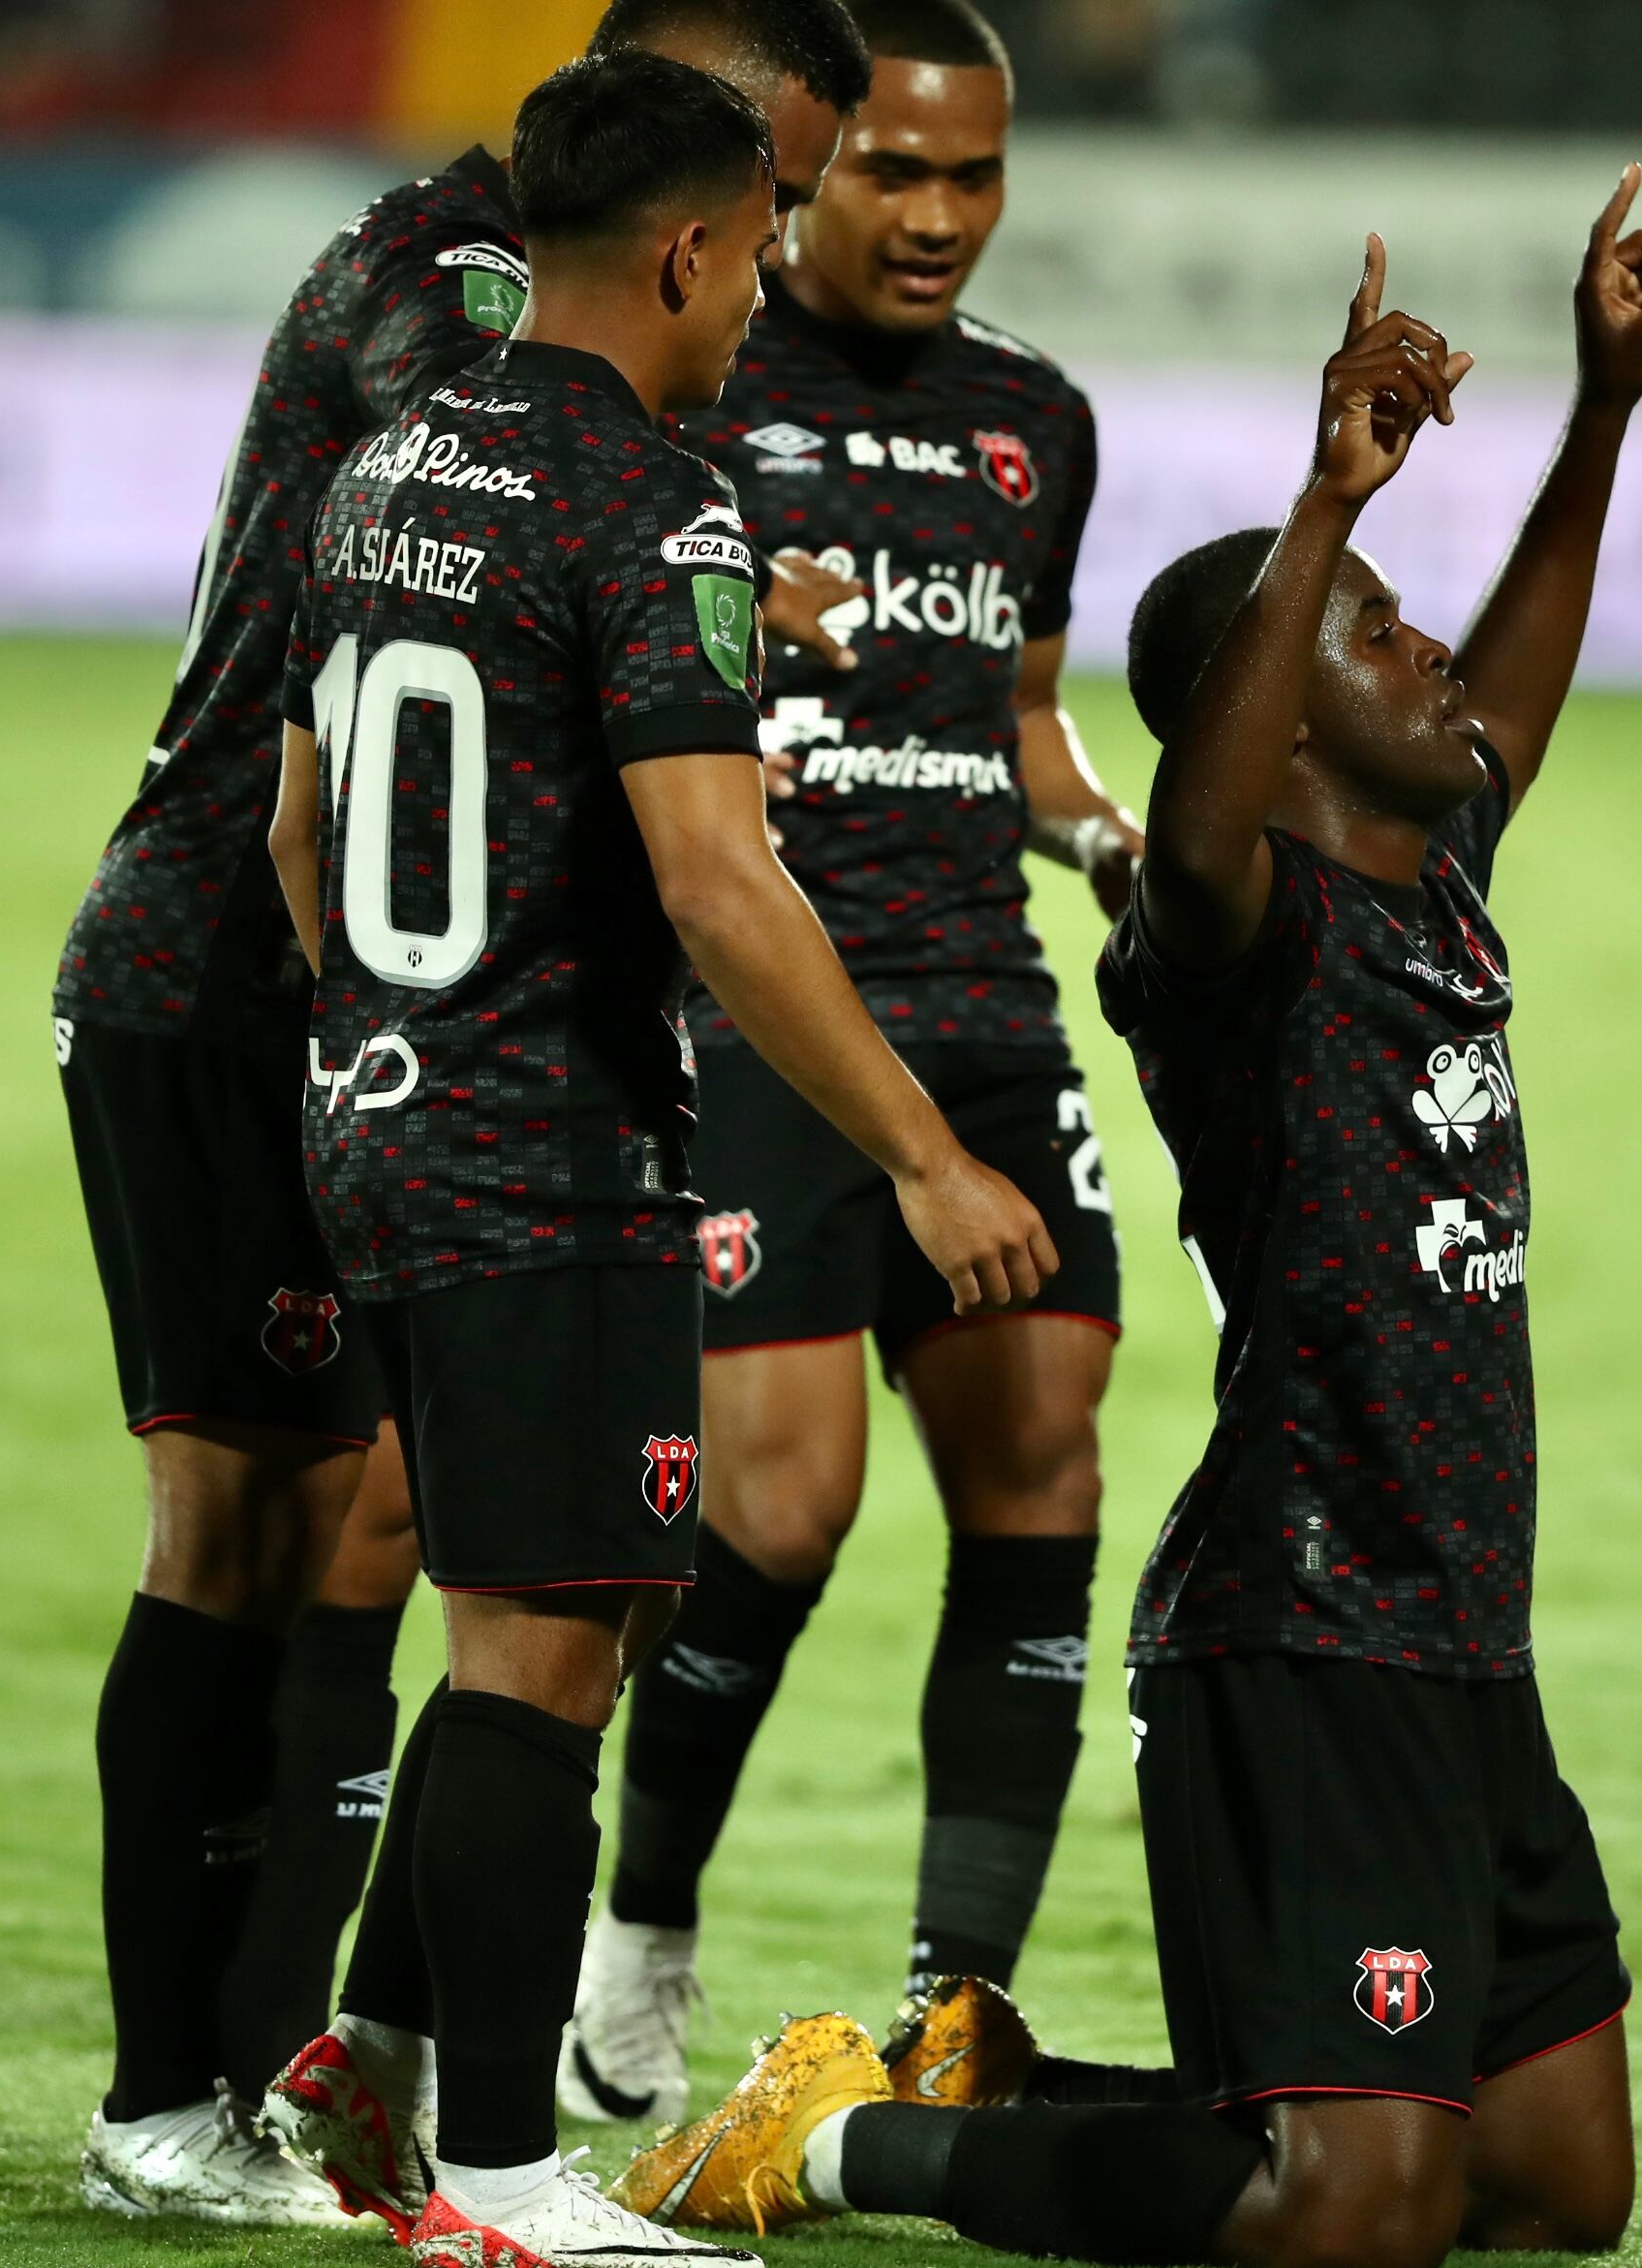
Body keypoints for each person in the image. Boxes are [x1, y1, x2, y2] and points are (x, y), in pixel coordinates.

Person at [616, 171, 1642, 2268]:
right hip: (1302, 1629)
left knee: (1560, 2188)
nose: (1436, 661)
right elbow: (1198, 817)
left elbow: (1518, 690)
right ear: (1279, 718)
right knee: (1356, 2214)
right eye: (1381, 637)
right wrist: (1321, 511)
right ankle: (841, 2141)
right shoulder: (1228, 939)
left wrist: (1606, 404)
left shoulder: (1427, 874)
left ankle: (1003, 2089)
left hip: (1460, 1627)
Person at [49, 0, 869, 2224]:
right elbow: (487, 577)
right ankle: (183, 2100)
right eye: (769, 178)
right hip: (243, 978)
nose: (776, 244)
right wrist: (682, 637)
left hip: (361, 991)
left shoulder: (450, 287)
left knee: (423, 1540)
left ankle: (341, 2065)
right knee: (262, 1537)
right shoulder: (466, 302)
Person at [248, 49, 1055, 2268]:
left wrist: (382, 1041)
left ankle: (374, 2052)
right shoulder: (653, 490)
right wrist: (921, 1158)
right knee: (547, 1646)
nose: (762, 293)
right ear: (696, 247)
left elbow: (304, 829)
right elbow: (722, 887)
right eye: (759, 248)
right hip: (547, 1150)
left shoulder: (396, 454)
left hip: (380, 1115)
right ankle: (504, 2170)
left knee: (552, 1599)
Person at [562, 0, 1149, 2131]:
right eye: (893, 170)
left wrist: (1106, 831)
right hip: (768, 1009)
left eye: (975, 177)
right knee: (782, 1500)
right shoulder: (694, 374)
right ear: (798, 175)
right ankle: (646, 1914)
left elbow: (1023, 713)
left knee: (1048, 1465)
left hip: (984, 1002)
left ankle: (953, 2009)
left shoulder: (1034, 421)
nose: (935, 217)